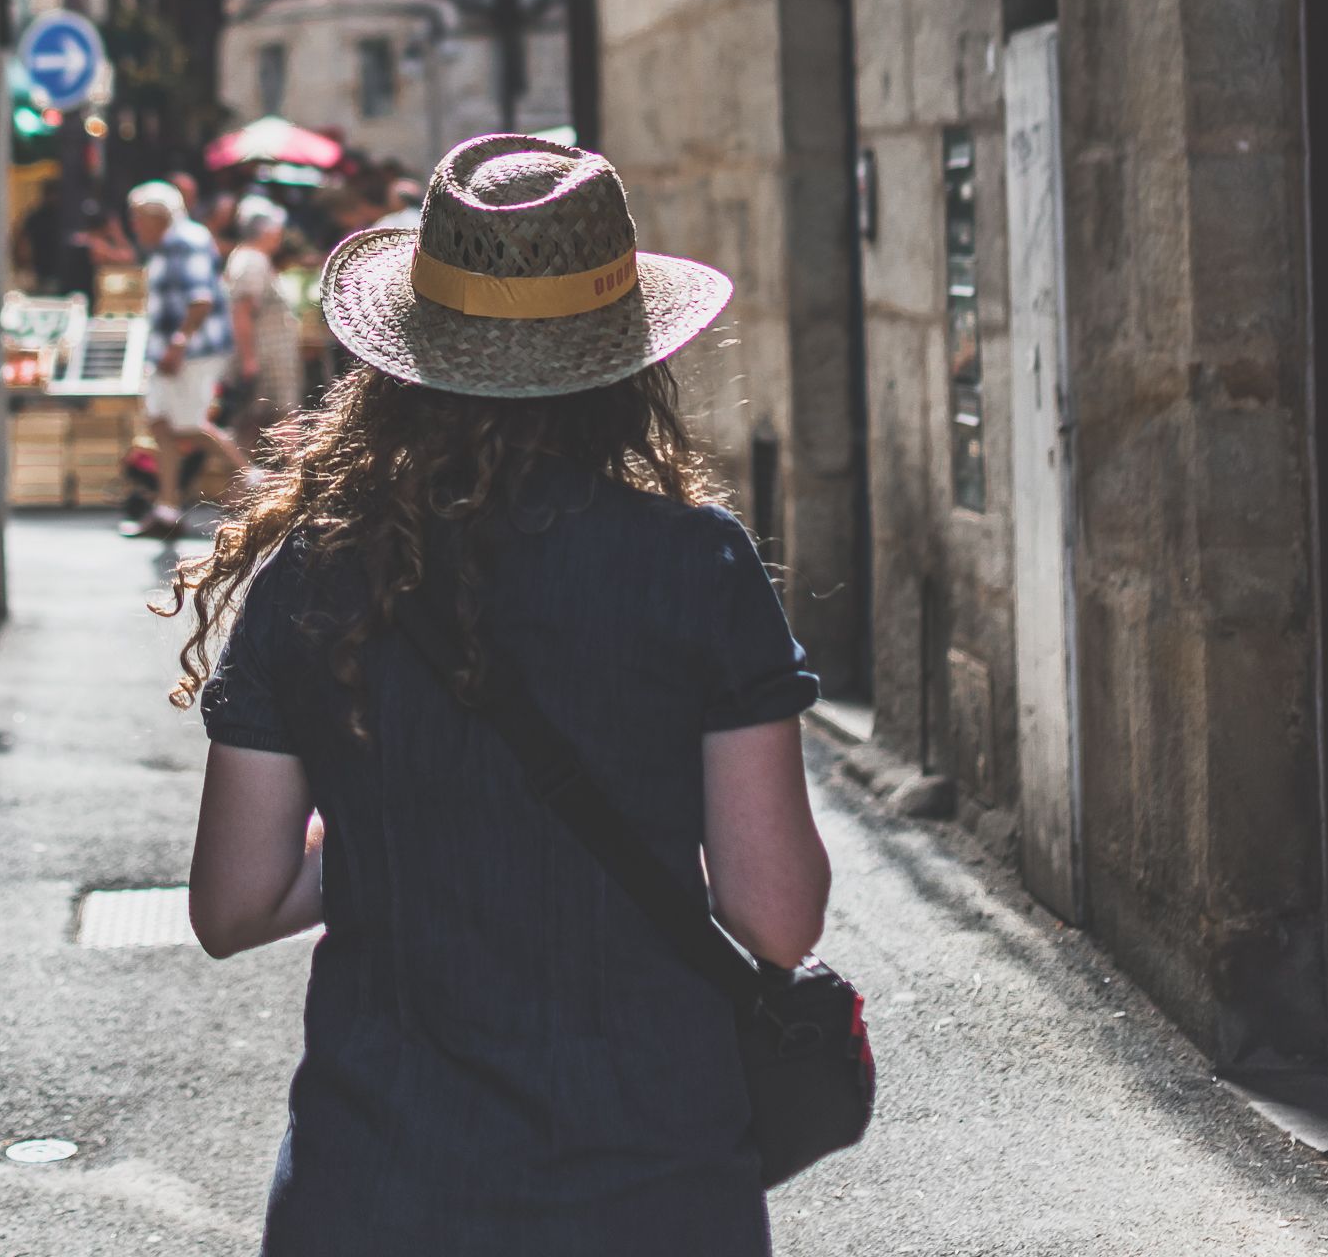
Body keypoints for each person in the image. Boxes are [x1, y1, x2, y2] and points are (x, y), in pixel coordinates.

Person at [166, 134, 830, 1255]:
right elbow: (776, 914)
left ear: (406, 358)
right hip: (651, 1182)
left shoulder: (316, 575)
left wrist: (392, 831)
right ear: (628, 361)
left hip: (381, 1186)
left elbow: (232, 905)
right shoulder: (696, 566)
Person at [124, 181, 237, 541]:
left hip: (189, 353)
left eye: (139, 218)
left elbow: (200, 299)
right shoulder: (167, 244)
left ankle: (254, 479)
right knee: (161, 423)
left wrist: (178, 342)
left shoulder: (183, 241)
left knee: (187, 426)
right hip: (171, 353)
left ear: (158, 217)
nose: (135, 226)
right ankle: (167, 508)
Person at [222, 195, 304, 455]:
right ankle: (295, 484)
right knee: (280, 420)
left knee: (254, 425)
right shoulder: (251, 261)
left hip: (266, 357)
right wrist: (249, 360)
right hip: (265, 358)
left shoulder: (251, 259)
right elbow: (242, 312)